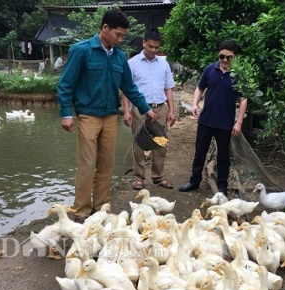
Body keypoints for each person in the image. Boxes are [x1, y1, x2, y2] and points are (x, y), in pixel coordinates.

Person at [58, 9, 156, 223]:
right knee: (86, 163)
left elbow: (129, 88)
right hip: (88, 116)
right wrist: (67, 113)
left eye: (123, 36)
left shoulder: (120, 57)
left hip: (110, 116)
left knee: (106, 164)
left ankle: (101, 208)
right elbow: (65, 84)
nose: (120, 40)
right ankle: (82, 211)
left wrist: (146, 108)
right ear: (104, 28)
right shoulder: (81, 51)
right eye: (117, 35)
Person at [178, 39, 247, 197]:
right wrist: (195, 104)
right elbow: (200, 88)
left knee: (223, 155)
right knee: (199, 152)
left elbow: (243, 99)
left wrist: (239, 122)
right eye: (221, 56)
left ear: (235, 58)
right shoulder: (210, 70)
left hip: (225, 123)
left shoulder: (238, 75)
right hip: (206, 120)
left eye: (229, 57)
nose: (224, 60)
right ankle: (194, 181)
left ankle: (222, 186)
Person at [122, 28, 175, 190]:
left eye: (156, 47)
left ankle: (158, 177)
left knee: (161, 143)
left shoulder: (164, 64)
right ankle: (139, 177)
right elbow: (126, 89)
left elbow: (168, 88)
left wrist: (171, 110)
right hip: (140, 109)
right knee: (139, 143)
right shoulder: (132, 64)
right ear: (143, 43)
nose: (153, 50)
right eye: (150, 46)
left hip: (160, 108)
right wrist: (126, 110)